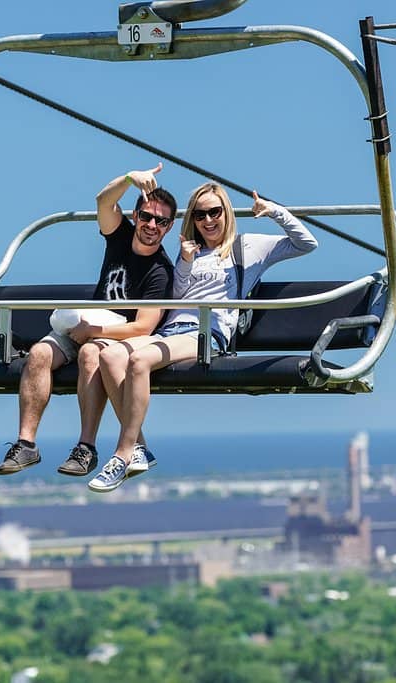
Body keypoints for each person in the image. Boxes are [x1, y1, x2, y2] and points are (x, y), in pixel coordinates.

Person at [91, 183, 318, 492]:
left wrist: (274, 211)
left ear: (226, 212)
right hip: (171, 331)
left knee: (139, 360)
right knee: (110, 356)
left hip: (205, 334)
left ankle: (123, 453)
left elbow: (307, 244)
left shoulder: (247, 247)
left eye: (215, 212)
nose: (208, 221)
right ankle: (139, 447)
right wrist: (184, 262)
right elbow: (179, 297)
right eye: (200, 215)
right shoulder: (191, 251)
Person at [0, 164, 176, 478]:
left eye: (160, 221)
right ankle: (26, 443)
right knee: (39, 354)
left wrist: (94, 331)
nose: (151, 225)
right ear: (135, 217)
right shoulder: (119, 237)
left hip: (119, 336)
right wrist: (130, 178)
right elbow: (104, 202)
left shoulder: (160, 271)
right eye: (146, 217)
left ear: (169, 227)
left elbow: (143, 327)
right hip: (88, 322)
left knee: (92, 353)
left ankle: (86, 446)